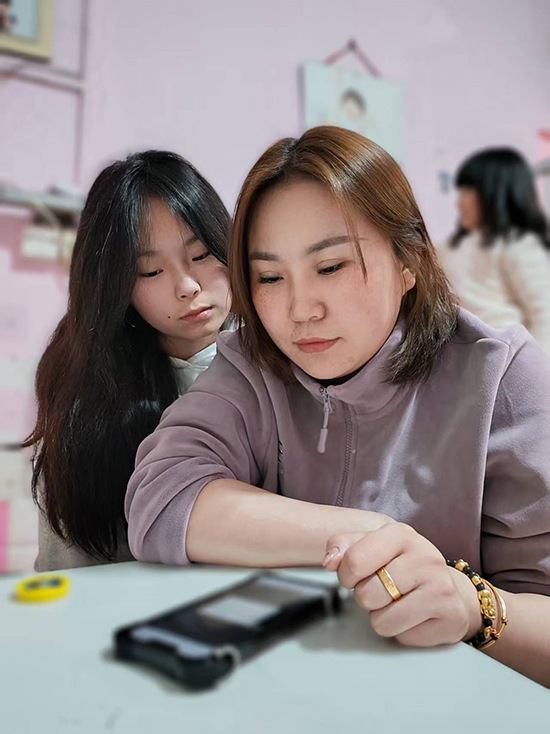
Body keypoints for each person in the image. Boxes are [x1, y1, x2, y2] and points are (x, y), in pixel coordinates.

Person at [126, 128, 550, 687]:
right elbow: (161, 499)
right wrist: (370, 532)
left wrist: (475, 607)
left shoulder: (504, 378)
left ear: (408, 261)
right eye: (270, 277)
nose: (300, 310)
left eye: (330, 267)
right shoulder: (252, 366)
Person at [25, 151, 231, 571]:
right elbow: (67, 569)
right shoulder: (86, 403)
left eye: (201, 254)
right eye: (150, 271)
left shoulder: (285, 362)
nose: (187, 286)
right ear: (116, 287)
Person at [441, 148, 550, 354]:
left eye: (467, 191)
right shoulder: (452, 247)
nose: (458, 202)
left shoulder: (518, 243)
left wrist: (538, 367)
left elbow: (544, 315)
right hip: (460, 357)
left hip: (504, 356)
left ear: (496, 193)